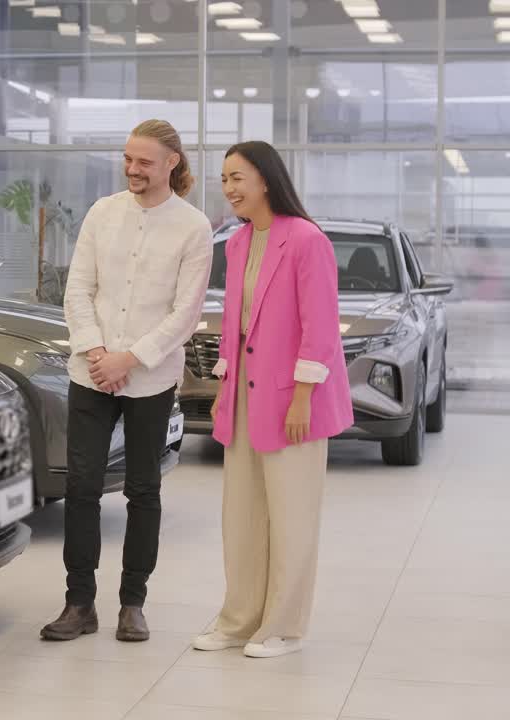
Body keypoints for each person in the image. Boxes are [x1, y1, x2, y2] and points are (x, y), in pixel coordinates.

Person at [42, 120, 213, 643]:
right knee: (81, 487)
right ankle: (79, 603)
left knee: (143, 490)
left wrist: (129, 359)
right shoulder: (103, 212)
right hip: (91, 372)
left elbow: (185, 313)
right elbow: (78, 290)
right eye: (128, 159)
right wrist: (98, 352)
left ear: (172, 163)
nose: (132, 169)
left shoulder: (193, 227)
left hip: (151, 378)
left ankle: (132, 604)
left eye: (144, 161)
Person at [193, 141, 353, 659]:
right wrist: (223, 389)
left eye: (237, 177)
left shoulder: (306, 239)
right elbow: (234, 326)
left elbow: (320, 327)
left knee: (291, 517)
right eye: (224, 179)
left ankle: (282, 627)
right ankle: (238, 621)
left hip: (292, 400)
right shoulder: (238, 242)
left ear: (266, 179)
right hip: (244, 395)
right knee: (241, 516)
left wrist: (303, 397)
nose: (229, 188)